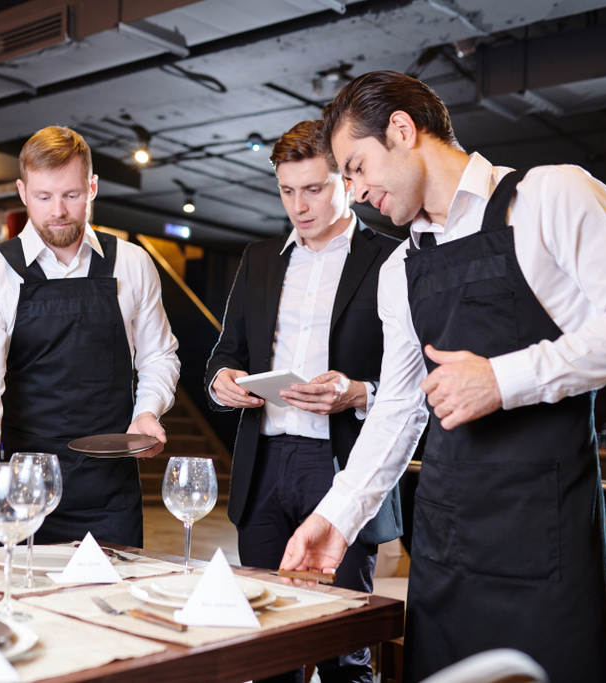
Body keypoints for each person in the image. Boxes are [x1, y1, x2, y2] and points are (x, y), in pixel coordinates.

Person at [279, 70, 606, 682]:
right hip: (445, 546)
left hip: (547, 540)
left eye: (355, 167)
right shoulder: (399, 268)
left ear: (402, 131)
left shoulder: (551, 196)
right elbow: (399, 409)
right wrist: (339, 515)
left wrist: (505, 379)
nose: (352, 193)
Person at [205, 119, 401, 683]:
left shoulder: (392, 259)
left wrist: (359, 392)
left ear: (346, 178)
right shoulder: (260, 258)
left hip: (342, 466)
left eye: (313, 189)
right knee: (267, 649)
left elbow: (412, 381)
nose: (299, 205)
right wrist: (222, 382)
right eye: (287, 191)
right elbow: (224, 353)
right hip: (264, 465)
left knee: (345, 651)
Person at [0, 125, 180, 557]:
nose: (58, 211)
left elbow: (159, 356)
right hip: (23, 489)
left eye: (72, 195)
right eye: (43, 197)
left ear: (92, 187)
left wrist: (147, 411)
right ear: (22, 191)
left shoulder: (132, 264)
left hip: (110, 490)